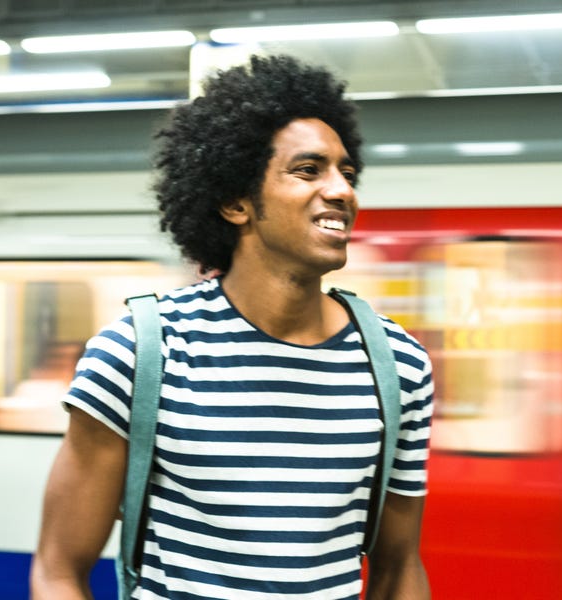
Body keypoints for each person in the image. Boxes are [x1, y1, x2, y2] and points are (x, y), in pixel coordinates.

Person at [30, 54, 433, 600]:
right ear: (235, 203)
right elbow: (59, 569)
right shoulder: (142, 352)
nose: (343, 191)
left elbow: (398, 568)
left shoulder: (398, 365)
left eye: (347, 172)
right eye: (309, 170)